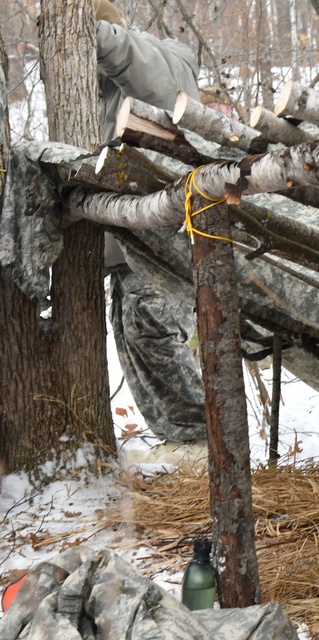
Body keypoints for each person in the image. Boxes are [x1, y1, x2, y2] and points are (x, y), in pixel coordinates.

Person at [95, 0, 209, 462]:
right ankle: (184, 443)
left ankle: (200, 443)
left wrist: (99, 37)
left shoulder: (167, 60)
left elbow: (143, 67)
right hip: (132, 245)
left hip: (166, 241)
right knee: (131, 334)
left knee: (155, 329)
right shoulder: (104, 93)